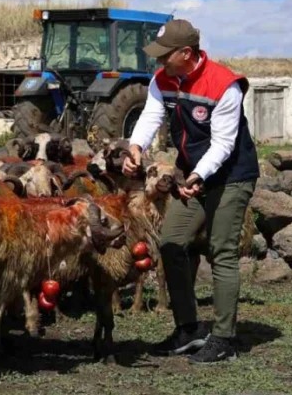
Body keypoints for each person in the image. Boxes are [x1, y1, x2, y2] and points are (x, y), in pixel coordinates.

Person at [122, 18, 259, 364]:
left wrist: (198, 174)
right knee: (171, 242)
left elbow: (224, 144)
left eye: (164, 55)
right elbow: (151, 116)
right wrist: (135, 147)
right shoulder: (162, 79)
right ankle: (189, 329)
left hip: (230, 175)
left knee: (221, 251)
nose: (158, 62)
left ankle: (225, 338)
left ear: (186, 53)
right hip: (192, 172)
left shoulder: (224, 85)